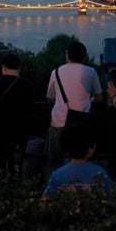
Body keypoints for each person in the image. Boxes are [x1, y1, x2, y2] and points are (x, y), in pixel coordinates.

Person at [45, 40, 102, 174]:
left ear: (67, 55)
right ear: (84, 56)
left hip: (59, 122)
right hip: (81, 123)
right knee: (82, 161)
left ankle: (55, 188)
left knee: (55, 162)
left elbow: (50, 98)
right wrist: (89, 99)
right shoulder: (91, 72)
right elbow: (99, 97)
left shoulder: (56, 72)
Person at [0, 53, 35, 177]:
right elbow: (31, 110)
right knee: (16, 167)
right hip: (19, 132)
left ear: (3, 67)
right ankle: (14, 190)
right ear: (19, 68)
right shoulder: (27, 86)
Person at [42, 122, 114, 199]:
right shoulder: (101, 174)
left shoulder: (57, 175)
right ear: (91, 149)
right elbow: (113, 198)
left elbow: (44, 203)